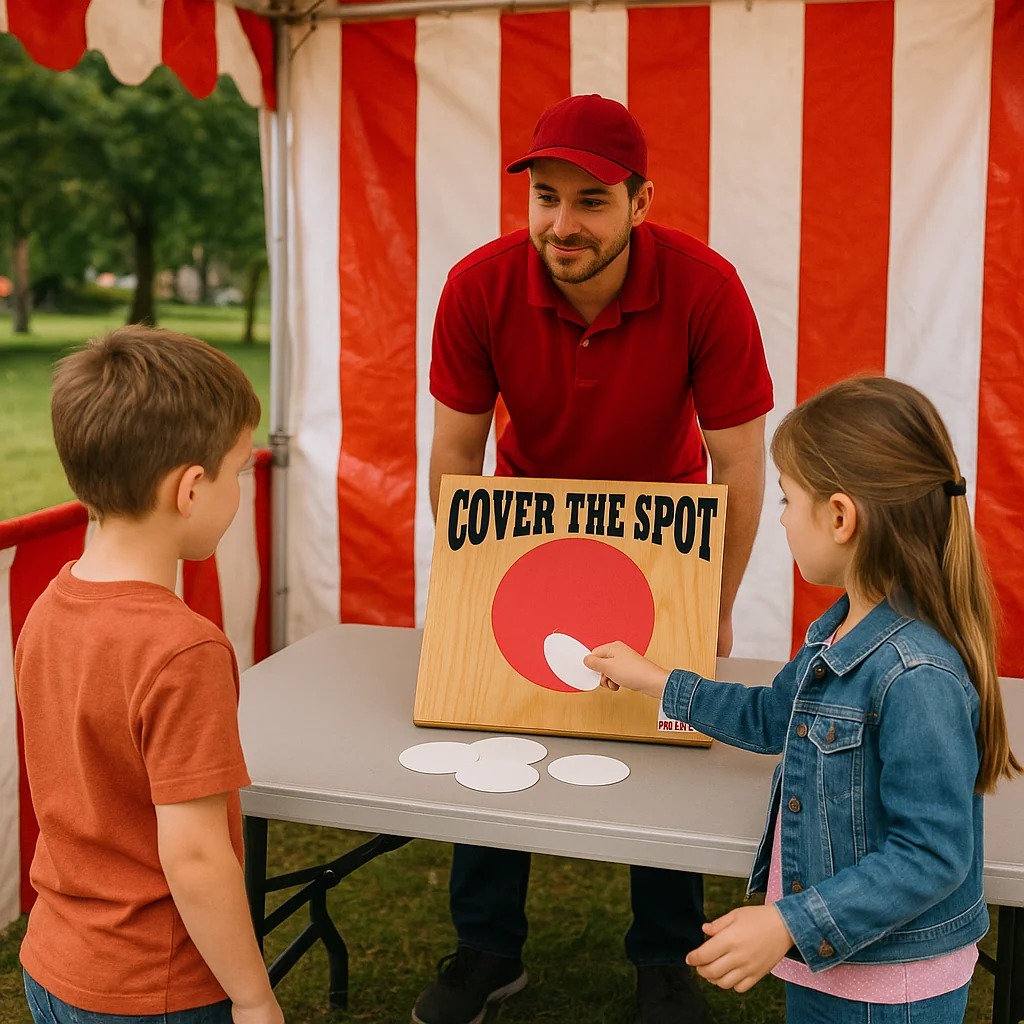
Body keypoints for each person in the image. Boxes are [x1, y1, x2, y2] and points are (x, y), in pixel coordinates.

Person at [418, 93, 773, 1024]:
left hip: (664, 533)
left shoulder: (707, 286)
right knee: (497, 722)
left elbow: (740, 459)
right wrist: (464, 581)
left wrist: (716, 598)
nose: (562, 223)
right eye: (545, 196)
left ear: (641, 202)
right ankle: (487, 948)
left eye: (591, 201)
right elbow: (454, 453)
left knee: (665, 728)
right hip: (525, 523)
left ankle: (664, 954)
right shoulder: (477, 285)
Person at [586, 376, 1022, 1024]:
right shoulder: (841, 628)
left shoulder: (914, 675)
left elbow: (932, 854)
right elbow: (772, 716)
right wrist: (659, 680)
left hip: (887, 988)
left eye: (789, 500)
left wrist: (787, 923)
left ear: (842, 517)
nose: (782, 519)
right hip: (832, 959)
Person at [15, 328, 283, 1024]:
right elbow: (195, 858)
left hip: (54, 966)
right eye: (238, 471)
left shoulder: (49, 603)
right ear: (191, 489)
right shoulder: (184, 649)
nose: (240, 488)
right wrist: (253, 997)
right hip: (154, 988)